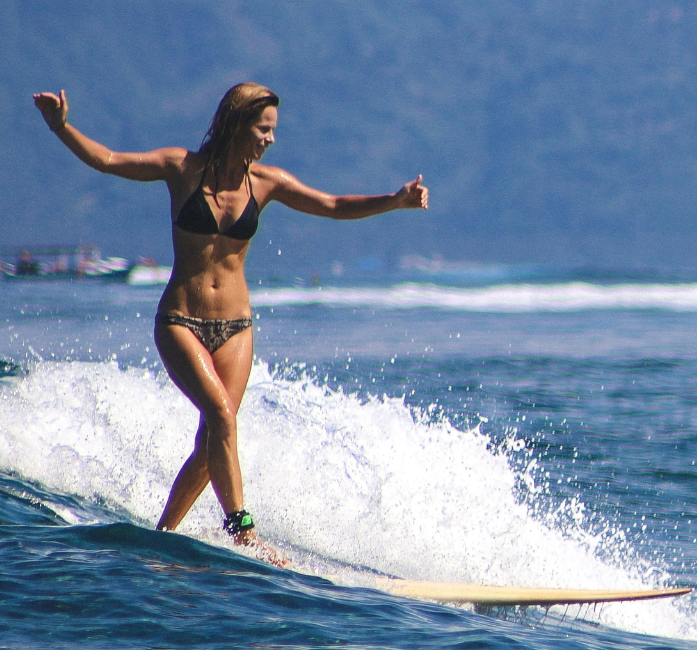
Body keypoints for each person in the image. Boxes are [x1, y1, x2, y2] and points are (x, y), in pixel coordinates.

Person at [33, 83, 428, 563]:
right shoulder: (181, 168)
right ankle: (242, 530)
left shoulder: (266, 182)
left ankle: (163, 534)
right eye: (264, 129)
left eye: (272, 131)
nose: (270, 140)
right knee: (222, 417)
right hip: (180, 321)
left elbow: (332, 205)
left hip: (236, 329)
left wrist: (394, 200)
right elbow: (109, 160)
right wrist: (61, 127)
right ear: (237, 124)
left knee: (212, 439)